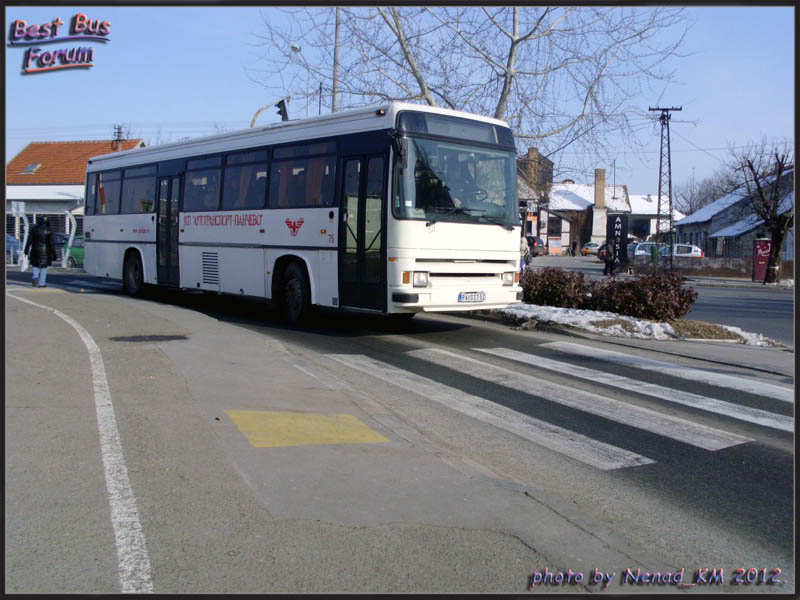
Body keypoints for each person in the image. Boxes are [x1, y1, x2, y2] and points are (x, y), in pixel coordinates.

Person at [24, 217, 57, 288]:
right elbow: (51, 244)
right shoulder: (49, 230)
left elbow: (29, 241)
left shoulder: (34, 229)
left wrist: (26, 250)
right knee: (44, 267)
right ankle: (42, 283)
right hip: (46, 251)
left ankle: (35, 277)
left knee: (35, 265)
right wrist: (54, 254)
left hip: (35, 250)